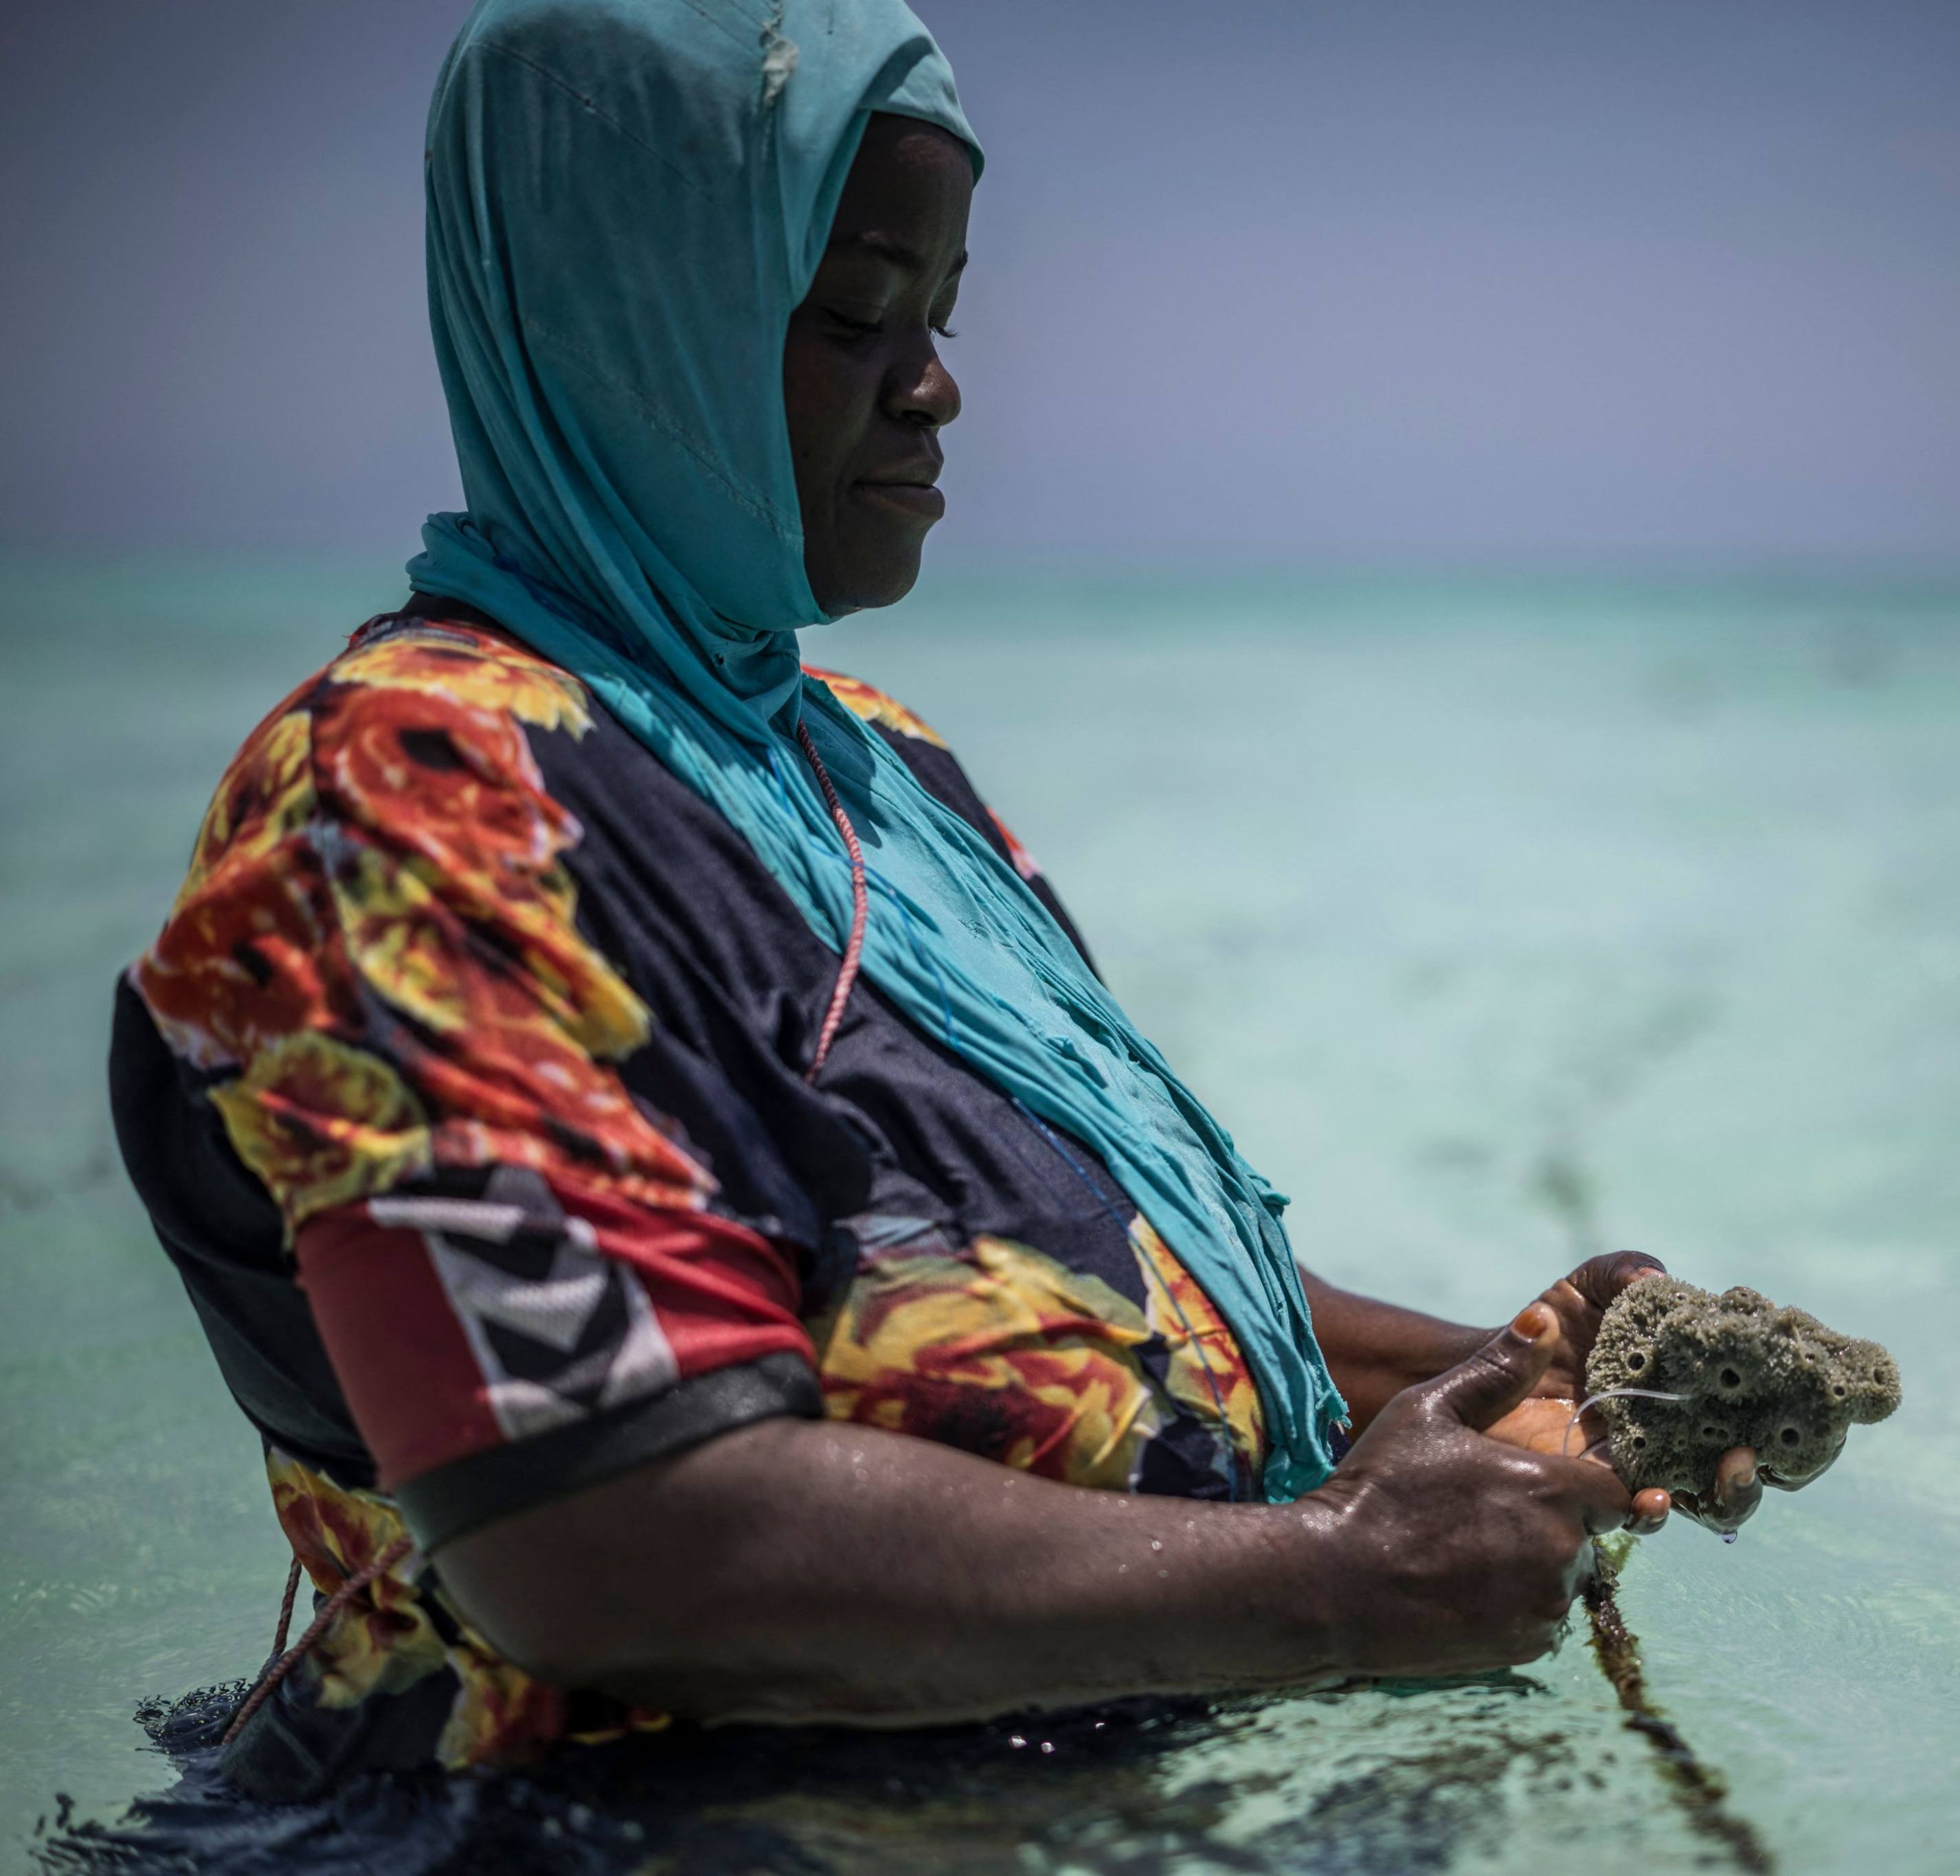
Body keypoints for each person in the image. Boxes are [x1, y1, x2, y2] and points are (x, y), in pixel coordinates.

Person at [108, 0, 1765, 1799]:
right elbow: (609, 1540)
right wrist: (1335, 1581)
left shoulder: (863, 764)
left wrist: (1512, 1380)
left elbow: (1088, 1281)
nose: (938, 382)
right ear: (628, 324)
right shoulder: (412, 794)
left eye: (943, 311)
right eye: (851, 313)